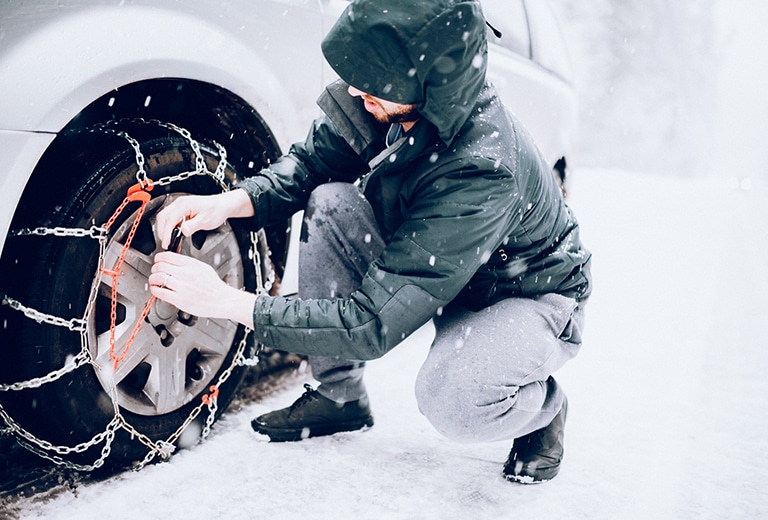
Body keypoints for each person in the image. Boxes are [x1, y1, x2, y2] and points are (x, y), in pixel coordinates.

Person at [149, 0, 591, 484]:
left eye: (373, 82)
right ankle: (340, 397)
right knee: (332, 201)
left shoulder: (481, 168)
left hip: (522, 296)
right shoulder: (390, 99)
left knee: (452, 400)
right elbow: (311, 164)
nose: (356, 89)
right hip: (445, 270)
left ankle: (544, 411)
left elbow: (371, 322)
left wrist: (226, 302)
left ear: (428, 82)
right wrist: (231, 202)